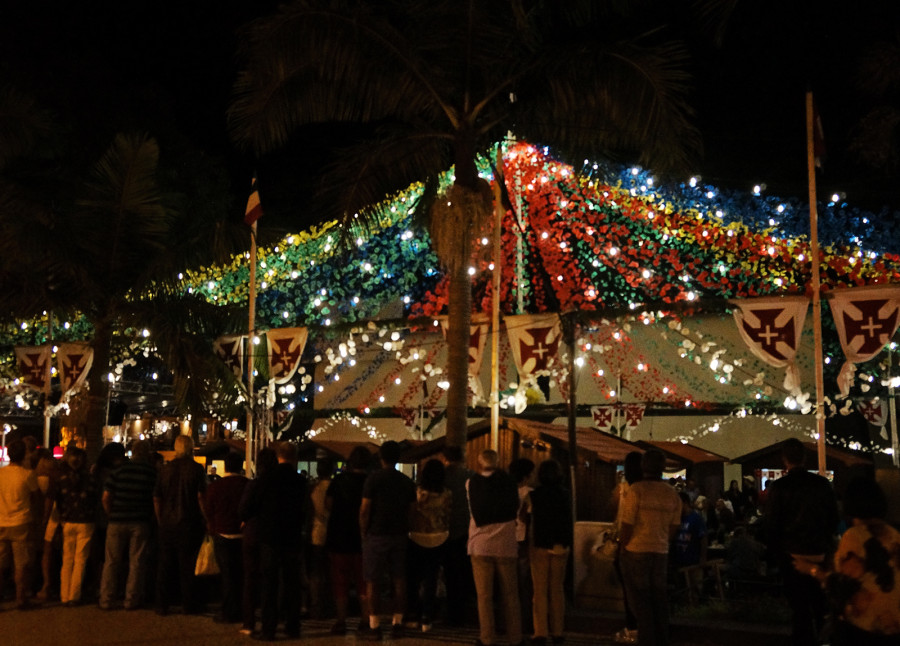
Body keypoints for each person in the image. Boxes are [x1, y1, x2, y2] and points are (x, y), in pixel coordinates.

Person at [793, 476, 900, 645]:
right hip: (894, 625)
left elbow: (842, 586)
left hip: (867, 626)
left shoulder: (855, 536)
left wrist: (811, 570)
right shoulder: (894, 535)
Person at [766, 438, 839, 646]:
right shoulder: (822, 484)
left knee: (799, 607)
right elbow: (833, 518)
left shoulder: (779, 487)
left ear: (784, 459)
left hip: (791, 554)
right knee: (819, 604)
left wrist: (775, 553)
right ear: (805, 457)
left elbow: (772, 523)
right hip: (818, 552)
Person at [242, 441, 307, 641]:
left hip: (269, 537)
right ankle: (293, 626)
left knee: (269, 584)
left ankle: (269, 628)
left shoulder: (265, 480)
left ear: (278, 456)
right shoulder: (301, 482)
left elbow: (246, 508)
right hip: (292, 537)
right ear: (295, 458)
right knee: (292, 584)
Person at [618, 449, 681, 646]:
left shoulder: (636, 490)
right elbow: (674, 525)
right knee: (659, 599)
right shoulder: (672, 494)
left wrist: (623, 547)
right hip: (660, 550)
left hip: (636, 549)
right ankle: (662, 639)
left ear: (644, 466)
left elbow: (627, 524)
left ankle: (646, 640)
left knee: (640, 600)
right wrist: (663, 540)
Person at [359, 440, 417, 640]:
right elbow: (412, 511)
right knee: (399, 579)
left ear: (381, 457)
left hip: (376, 534)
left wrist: (363, 532)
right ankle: (397, 622)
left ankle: (374, 626)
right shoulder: (406, 482)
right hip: (400, 534)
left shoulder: (373, 479)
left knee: (372, 581)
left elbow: (365, 510)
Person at [467, 448, 522, 646]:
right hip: (506, 544)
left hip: (480, 545)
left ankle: (487, 637)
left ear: (480, 463)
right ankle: (515, 637)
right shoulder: (510, 483)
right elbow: (516, 506)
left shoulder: (471, 483)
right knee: (511, 595)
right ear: (497, 462)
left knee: (484, 596)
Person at [99, 439, 158, 611]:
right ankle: (131, 599)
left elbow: (106, 497)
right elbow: (155, 498)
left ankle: (106, 599)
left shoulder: (118, 470)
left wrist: (111, 514)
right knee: (136, 562)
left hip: (117, 520)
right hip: (140, 521)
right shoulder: (151, 472)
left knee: (111, 561)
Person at [153, 434, 207, 616]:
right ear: (191, 449)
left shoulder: (164, 470)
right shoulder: (196, 469)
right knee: (187, 566)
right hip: (189, 523)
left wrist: (160, 519)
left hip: (167, 523)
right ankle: (189, 605)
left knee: (165, 566)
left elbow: (157, 498)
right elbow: (201, 497)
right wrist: (206, 518)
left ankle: (161, 604)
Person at [325, 445, 372, 635]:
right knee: (364, 581)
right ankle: (365, 619)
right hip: (363, 538)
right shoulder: (370, 481)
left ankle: (341, 620)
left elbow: (328, 505)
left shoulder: (338, 481)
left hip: (339, 535)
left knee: (340, 581)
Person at [526, 459, 573, 646]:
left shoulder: (534, 495)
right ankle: (558, 631)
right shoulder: (566, 494)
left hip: (540, 544)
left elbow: (529, 520)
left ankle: (540, 632)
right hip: (561, 545)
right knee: (557, 589)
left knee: (540, 591)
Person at [406, 458, 452, 632]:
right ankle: (427, 617)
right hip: (439, 537)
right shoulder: (447, 493)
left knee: (414, 577)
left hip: (417, 536)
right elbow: (448, 515)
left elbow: (410, 513)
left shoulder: (417, 492)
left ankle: (412, 615)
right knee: (431, 578)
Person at [204, 451, 249, 624]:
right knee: (241, 574)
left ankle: (228, 610)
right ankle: (241, 608)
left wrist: (212, 525)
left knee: (227, 575)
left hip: (222, 533)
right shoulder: (246, 484)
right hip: (242, 534)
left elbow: (209, 509)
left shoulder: (216, 486)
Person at [238, 446, 278, 637]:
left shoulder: (254, 485)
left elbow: (243, 510)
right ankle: (269, 624)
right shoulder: (280, 485)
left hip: (253, 534)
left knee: (250, 579)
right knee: (269, 581)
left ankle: (249, 622)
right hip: (272, 535)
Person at [54, 446, 101, 606]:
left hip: (68, 520)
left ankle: (64, 595)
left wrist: (62, 517)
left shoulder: (62, 479)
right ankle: (74, 595)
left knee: (67, 559)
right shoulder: (91, 479)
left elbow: (58, 501)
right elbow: (96, 500)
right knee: (80, 560)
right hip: (86, 521)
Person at [0, 439, 40, 609]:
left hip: (1, 522)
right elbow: (36, 497)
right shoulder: (27, 474)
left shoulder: (1, 474)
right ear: (24, 454)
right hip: (21, 523)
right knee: (21, 564)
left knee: (1, 564)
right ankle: (21, 598)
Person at [439, 444, 474, 627]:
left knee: (450, 574)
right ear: (463, 457)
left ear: (445, 458)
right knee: (464, 573)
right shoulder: (471, 477)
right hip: (467, 531)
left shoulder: (441, 477)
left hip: (444, 530)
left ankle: (451, 613)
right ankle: (463, 611)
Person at [613, 451, 643, 645]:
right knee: (646, 591)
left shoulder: (628, 490)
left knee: (630, 591)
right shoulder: (651, 489)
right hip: (652, 546)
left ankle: (633, 629)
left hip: (629, 545)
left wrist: (621, 546)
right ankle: (646, 629)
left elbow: (624, 521)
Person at [509, 457, 535, 634]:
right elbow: (529, 517)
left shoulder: (505, 490)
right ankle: (525, 623)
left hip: (505, 540)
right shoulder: (530, 493)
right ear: (526, 476)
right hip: (524, 540)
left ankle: (509, 622)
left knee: (509, 583)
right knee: (525, 584)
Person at [308, 457, 334, 619]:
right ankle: (330, 605)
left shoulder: (313, 489)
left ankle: (316, 605)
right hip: (333, 534)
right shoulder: (335, 488)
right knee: (331, 572)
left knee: (316, 573)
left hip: (316, 534)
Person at [35, 448, 62, 602]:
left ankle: (46, 584)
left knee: (46, 551)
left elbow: (47, 501)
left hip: (50, 518)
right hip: (59, 517)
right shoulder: (57, 476)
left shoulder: (41, 479)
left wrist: (43, 520)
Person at [671, 491, 708, 602]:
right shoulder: (676, 519)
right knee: (681, 590)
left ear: (685, 503)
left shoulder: (696, 519)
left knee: (695, 588)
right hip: (679, 560)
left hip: (693, 561)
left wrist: (702, 558)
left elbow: (703, 538)